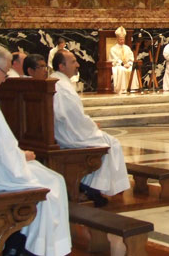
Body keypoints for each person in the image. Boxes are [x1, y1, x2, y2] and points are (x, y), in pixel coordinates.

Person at [0, 44, 71, 256]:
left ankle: (23, 241)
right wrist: (21, 156)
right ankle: (41, 250)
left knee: (47, 177)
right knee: (52, 184)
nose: (5, 78)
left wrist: (18, 156)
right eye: (4, 72)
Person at [51, 50, 131, 207]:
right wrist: (92, 126)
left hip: (65, 131)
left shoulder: (57, 81)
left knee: (109, 141)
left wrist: (89, 124)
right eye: (73, 61)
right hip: (70, 135)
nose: (78, 64)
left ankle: (92, 185)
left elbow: (72, 116)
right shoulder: (62, 87)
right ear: (61, 66)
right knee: (110, 144)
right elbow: (73, 118)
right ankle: (93, 188)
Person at [110, 26, 134, 94]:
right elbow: (114, 59)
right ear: (117, 39)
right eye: (120, 39)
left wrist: (129, 63)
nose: (122, 41)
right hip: (118, 66)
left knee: (132, 69)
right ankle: (122, 89)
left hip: (127, 65)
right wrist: (123, 64)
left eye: (123, 39)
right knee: (122, 69)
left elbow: (131, 57)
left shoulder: (127, 48)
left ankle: (132, 88)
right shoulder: (113, 49)